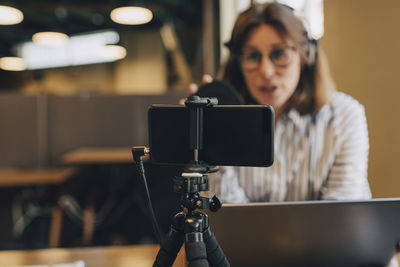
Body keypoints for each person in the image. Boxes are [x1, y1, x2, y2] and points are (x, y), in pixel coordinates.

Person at [189, 2, 371, 203]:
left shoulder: (344, 117)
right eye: (253, 56)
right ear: (236, 64)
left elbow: (339, 220)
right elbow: (222, 219)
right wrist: (213, 155)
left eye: (279, 54)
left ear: (306, 56)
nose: (266, 71)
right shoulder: (221, 119)